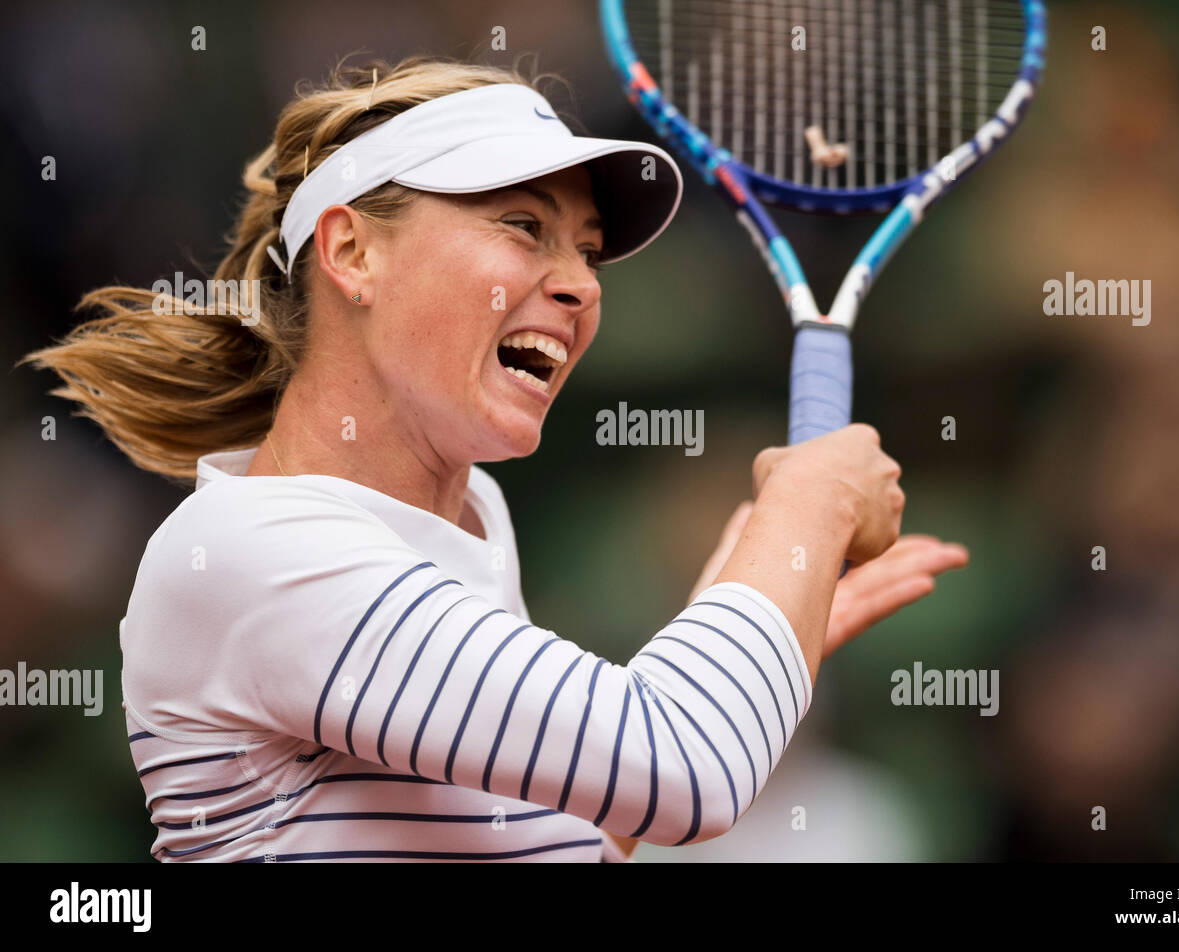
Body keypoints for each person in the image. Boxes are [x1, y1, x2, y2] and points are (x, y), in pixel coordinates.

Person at [20, 56, 967, 862]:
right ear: (352, 252)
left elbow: (562, 835)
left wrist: (754, 623)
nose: (578, 287)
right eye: (524, 228)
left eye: (589, 254)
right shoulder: (249, 548)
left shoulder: (473, 519)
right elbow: (684, 769)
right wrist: (805, 506)